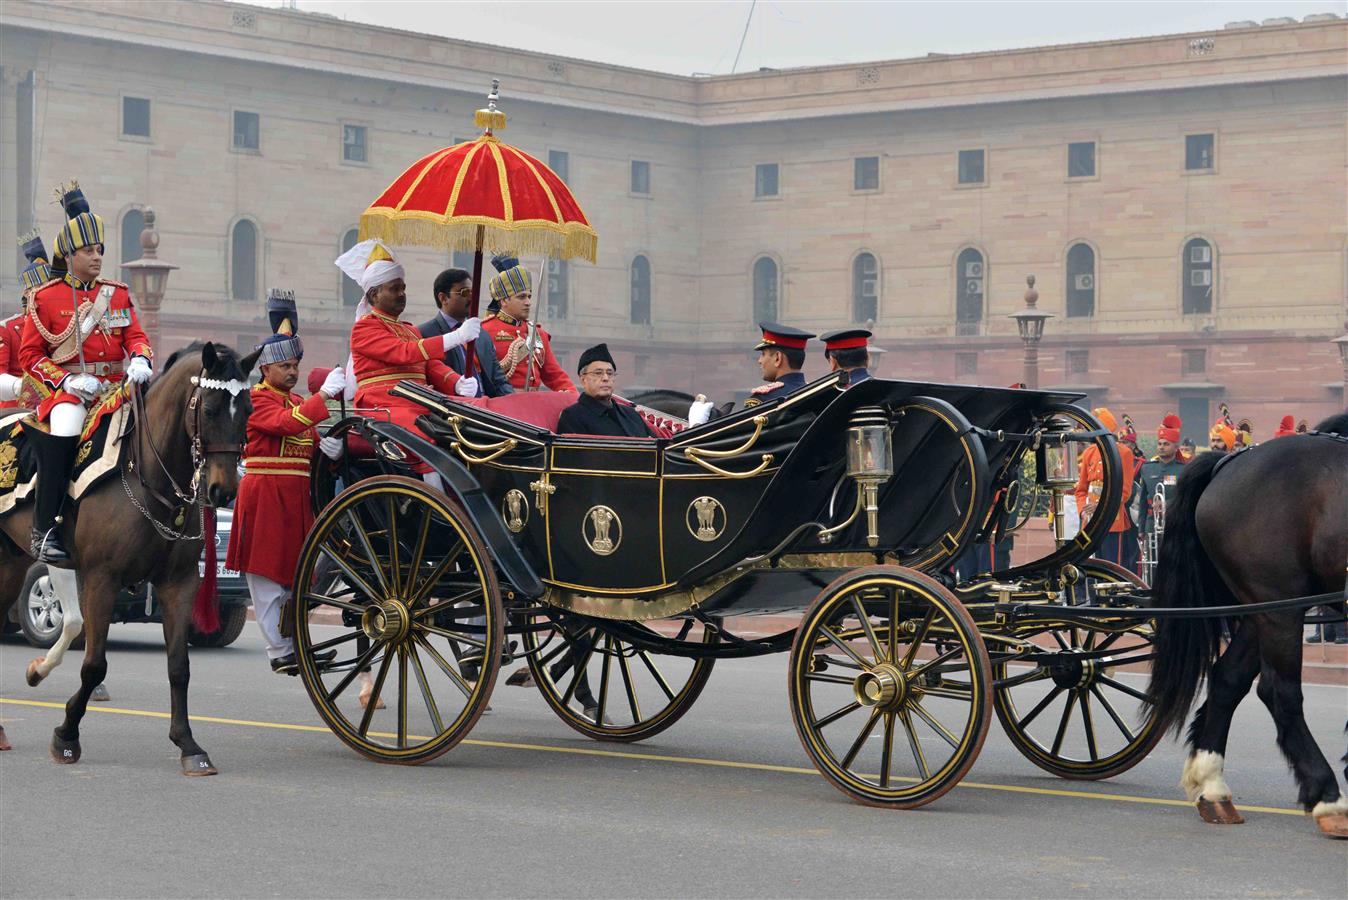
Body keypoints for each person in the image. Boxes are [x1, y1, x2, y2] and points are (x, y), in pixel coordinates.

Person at [20, 182, 154, 563]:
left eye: (99, 250)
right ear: (69, 254)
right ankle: (44, 529)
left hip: (118, 387)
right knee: (65, 426)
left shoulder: (117, 293)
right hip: (72, 393)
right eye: (88, 251)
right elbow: (30, 356)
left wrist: (141, 358)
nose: (96, 257)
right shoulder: (45, 298)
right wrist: (66, 381)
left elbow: (136, 335)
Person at [225, 289, 347, 673]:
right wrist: (322, 398)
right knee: (266, 578)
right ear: (266, 369)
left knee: (297, 577)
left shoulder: (295, 401)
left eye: (296, 366)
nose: (293, 372)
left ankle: (295, 643)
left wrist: (330, 449)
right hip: (266, 494)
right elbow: (285, 426)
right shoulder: (256, 398)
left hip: (295, 496)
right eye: (286, 367)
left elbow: (305, 438)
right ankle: (279, 650)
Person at [337, 239, 481, 474]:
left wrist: (456, 381)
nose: (402, 294)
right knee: (426, 436)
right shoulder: (364, 328)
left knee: (470, 417)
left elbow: (429, 364)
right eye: (394, 289)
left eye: (403, 287)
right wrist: (455, 338)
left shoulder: (409, 329)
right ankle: (437, 501)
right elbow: (403, 353)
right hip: (383, 404)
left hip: (417, 399)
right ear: (374, 294)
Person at [481, 255, 575, 393]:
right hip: (499, 405)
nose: (528, 302)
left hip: (532, 405)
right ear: (503, 301)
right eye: (521, 297)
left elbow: (555, 376)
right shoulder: (484, 331)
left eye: (529, 296)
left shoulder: (537, 334)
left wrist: (570, 393)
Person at [417, 267, 513, 398]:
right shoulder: (425, 334)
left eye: (473, 292)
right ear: (444, 298)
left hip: (487, 410)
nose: (472, 298)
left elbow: (498, 381)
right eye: (465, 292)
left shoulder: (482, 335)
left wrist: (515, 404)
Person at [1073, 407, 1135, 566]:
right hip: (1089, 521)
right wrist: (1082, 512)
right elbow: (1081, 490)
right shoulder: (1089, 453)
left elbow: (1125, 492)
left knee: (1110, 566)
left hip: (1111, 520)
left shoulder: (1124, 453)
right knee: (1090, 567)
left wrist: (1100, 506)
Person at [556, 343, 655, 437]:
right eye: (598, 373)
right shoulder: (573, 416)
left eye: (610, 373)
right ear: (583, 380)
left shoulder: (631, 414)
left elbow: (656, 448)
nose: (605, 378)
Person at [0, 231, 51, 410]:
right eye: (40, 288)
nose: (46, 294)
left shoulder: (63, 327)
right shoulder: (6, 329)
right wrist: (21, 386)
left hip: (56, 403)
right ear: (27, 293)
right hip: (17, 408)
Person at [1136, 412, 1185, 539]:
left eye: (1166, 444)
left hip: (1176, 524)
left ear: (1176, 448)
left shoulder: (1184, 470)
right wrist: (1141, 528)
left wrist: (1167, 504)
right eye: (1160, 444)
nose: (1162, 447)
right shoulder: (1147, 468)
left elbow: (1187, 500)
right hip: (1151, 524)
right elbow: (1142, 502)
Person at [744, 322, 813, 408]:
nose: (759, 360)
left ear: (777, 358)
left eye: (763, 354)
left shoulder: (762, 399)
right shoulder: (816, 394)